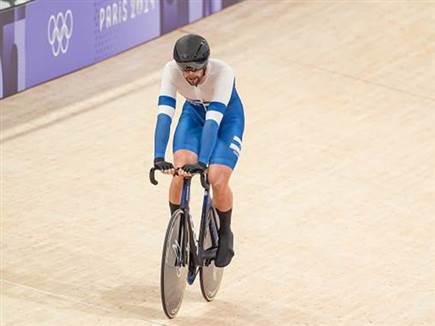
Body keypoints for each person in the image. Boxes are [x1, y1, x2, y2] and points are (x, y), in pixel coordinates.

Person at [153, 33, 245, 267]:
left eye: (195, 69)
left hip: (226, 121)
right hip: (193, 116)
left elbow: (213, 122)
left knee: (216, 177)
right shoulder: (170, 71)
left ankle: (225, 231)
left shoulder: (223, 73)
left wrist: (203, 161)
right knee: (180, 170)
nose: (189, 74)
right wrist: (158, 156)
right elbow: (164, 114)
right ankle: (179, 231)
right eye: (185, 69)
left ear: (206, 65)